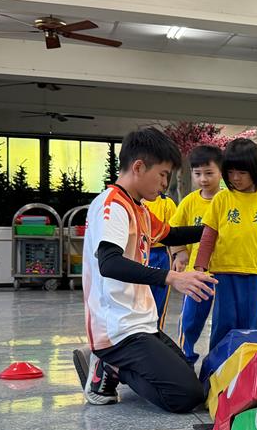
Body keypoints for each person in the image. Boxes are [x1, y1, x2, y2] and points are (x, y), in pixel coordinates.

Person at [72, 127, 215, 411]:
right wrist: (172, 277)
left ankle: (114, 365)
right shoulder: (113, 206)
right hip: (117, 330)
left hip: (141, 323)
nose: (165, 183)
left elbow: (171, 234)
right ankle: (108, 365)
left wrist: (215, 229)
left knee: (192, 383)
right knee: (185, 397)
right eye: (162, 174)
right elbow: (109, 263)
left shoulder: (138, 208)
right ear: (138, 167)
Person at [194, 138, 257, 351]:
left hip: (255, 272)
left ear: (255, 170)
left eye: (242, 172)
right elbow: (208, 236)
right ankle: (217, 365)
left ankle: (245, 364)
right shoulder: (221, 199)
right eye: (231, 172)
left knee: (249, 324)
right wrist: (200, 267)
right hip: (223, 271)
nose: (235, 178)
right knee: (223, 321)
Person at [169, 144, 225, 364]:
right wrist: (180, 252)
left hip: (225, 272)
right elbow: (173, 229)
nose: (203, 179)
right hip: (197, 274)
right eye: (197, 173)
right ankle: (185, 358)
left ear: (221, 172)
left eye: (209, 173)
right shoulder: (190, 201)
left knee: (224, 321)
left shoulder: (229, 200)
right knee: (191, 319)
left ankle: (221, 363)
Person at [143, 189, 177, 330]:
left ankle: (156, 333)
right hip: (138, 253)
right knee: (138, 301)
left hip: (161, 254)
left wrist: (177, 255)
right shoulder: (133, 202)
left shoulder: (167, 203)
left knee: (158, 302)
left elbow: (174, 232)